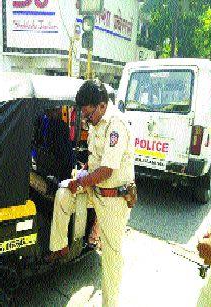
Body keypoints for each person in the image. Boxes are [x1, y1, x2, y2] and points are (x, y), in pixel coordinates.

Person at [47, 80, 136, 306]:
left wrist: (82, 182)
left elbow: (107, 169)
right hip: (96, 191)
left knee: (111, 258)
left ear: (102, 106)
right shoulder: (97, 123)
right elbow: (95, 161)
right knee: (63, 193)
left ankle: (110, 303)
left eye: (88, 115)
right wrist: (80, 176)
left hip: (115, 199)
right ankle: (60, 247)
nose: (86, 120)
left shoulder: (116, 125)